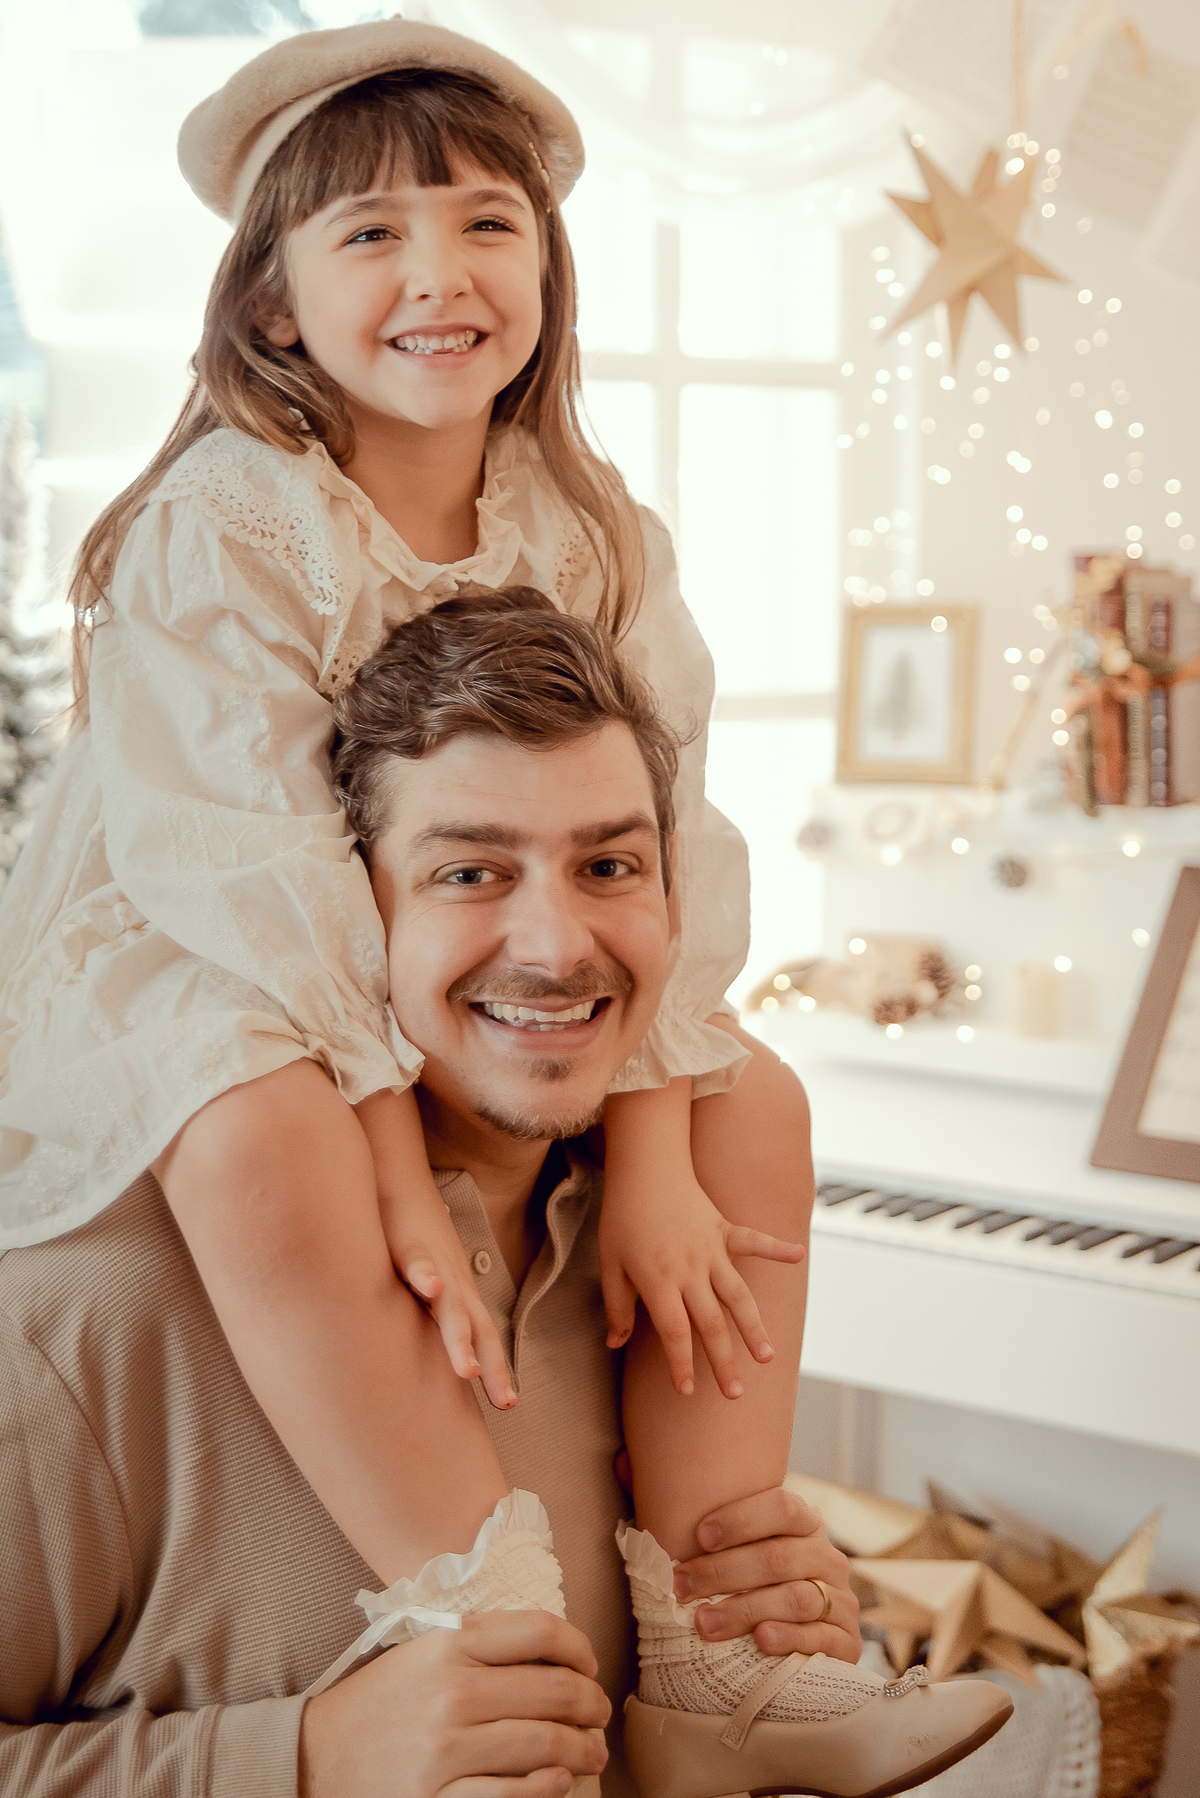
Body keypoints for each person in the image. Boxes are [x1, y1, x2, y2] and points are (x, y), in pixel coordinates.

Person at [0, 588, 1011, 1797]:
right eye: (471, 870)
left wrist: (780, 1624)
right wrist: (299, 1758)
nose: (554, 943)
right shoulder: (84, 1313)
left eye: (610, 864)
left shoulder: (678, 1236)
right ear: (340, 913)